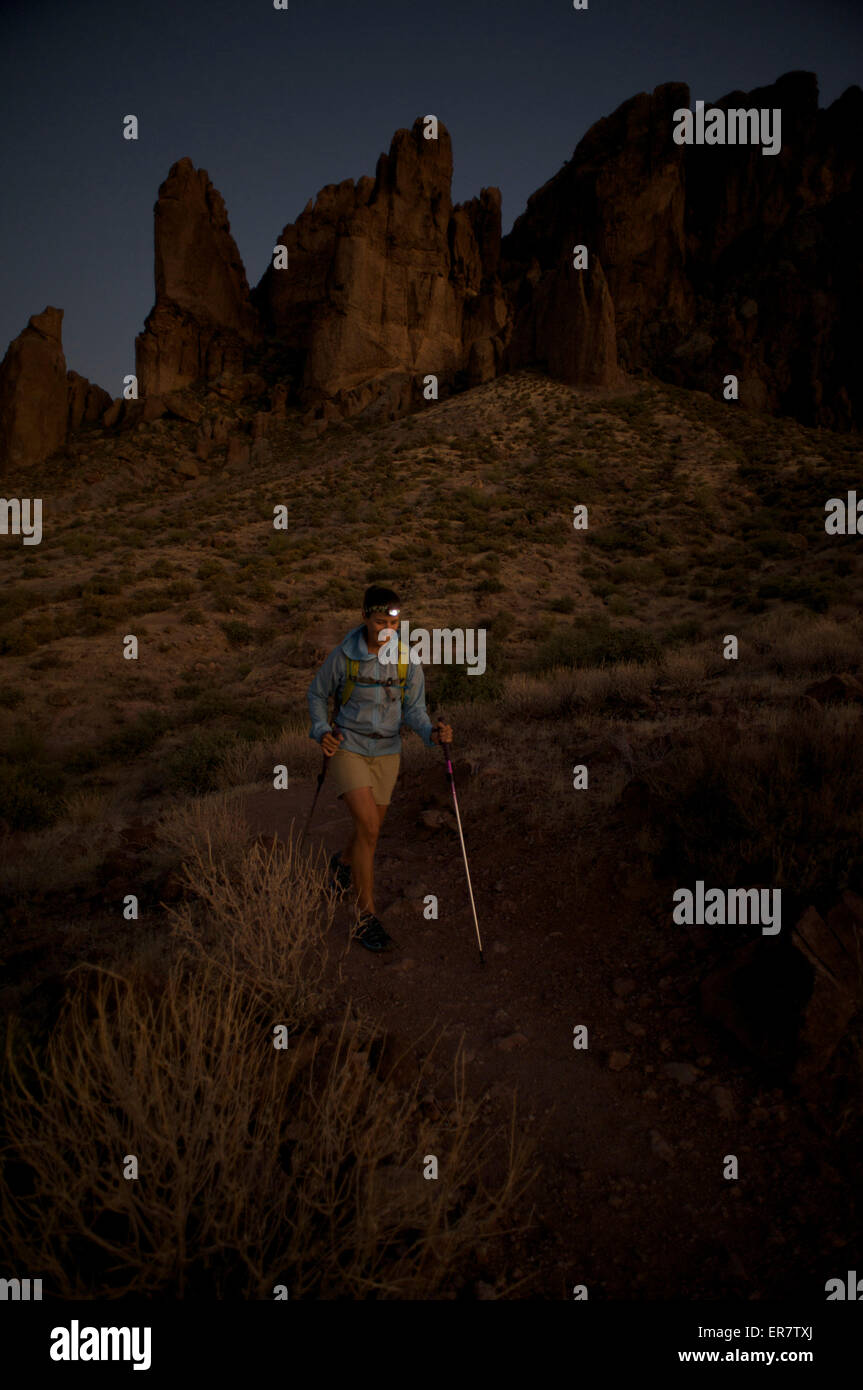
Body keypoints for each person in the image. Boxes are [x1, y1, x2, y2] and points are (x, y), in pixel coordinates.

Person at [307, 585, 454, 952]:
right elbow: (316, 694)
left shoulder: (406, 659)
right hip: (349, 746)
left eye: (394, 621)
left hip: (388, 750)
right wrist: (322, 730)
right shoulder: (343, 657)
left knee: (367, 831)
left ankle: (342, 865)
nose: (387, 629)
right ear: (364, 618)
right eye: (378, 622)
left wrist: (432, 734)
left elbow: (415, 710)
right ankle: (364, 919)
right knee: (370, 828)